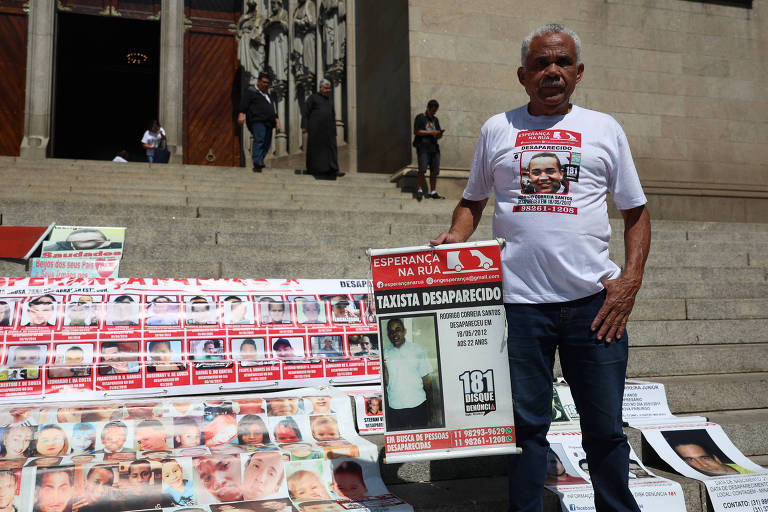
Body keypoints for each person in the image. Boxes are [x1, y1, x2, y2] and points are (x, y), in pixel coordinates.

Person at [429, 23, 650, 512]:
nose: (552, 71)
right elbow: (472, 200)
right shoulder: (497, 129)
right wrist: (457, 237)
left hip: (596, 306)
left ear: (578, 71)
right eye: (541, 64)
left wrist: (629, 282)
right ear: (522, 75)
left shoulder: (605, 128)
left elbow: (635, 212)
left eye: (562, 62)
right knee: (527, 427)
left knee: (606, 429)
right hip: (519, 308)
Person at [381, 318, 433, 431]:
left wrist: (431, 409)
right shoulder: (384, 353)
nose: (394, 334)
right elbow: (387, 382)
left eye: (398, 329)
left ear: (404, 331)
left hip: (418, 405)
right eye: (391, 331)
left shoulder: (418, 350)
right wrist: (384, 367)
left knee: (421, 441)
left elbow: (427, 382)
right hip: (395, 407)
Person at [238, 72, 282, 172]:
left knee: (267, 143)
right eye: (264, 82)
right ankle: (257, 161)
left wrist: (277, 121)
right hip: (257, 120)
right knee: (259, 139)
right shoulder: (251, 91)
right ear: (258, 81)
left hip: (269, 122)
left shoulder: (268, 95)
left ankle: (260, 160)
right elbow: (244, 103)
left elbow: (273, 109)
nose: (265, 84)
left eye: (267, 83)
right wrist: (241, 114)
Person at [303, 79, 343, 179]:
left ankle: (333, 170)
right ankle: (315, 169)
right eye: (325, 88)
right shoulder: (313, 98)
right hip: (316, 129)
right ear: (320, 87)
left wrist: (334, 129)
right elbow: (306, 112)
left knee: (331, 149)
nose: (327, 90)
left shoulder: (329, 100)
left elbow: (332, 114)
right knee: (316, 149)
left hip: (329, 130)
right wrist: (305, 126)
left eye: (329, 88)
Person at [666, 435, 751, 476]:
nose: (703, 465)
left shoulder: (749, 470)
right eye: (690, 460)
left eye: (705, 458)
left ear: (716, 458)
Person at [412, 99, 445, 200]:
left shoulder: (435, 120)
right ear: (428, 107)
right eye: (433, 110)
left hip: (434, 148)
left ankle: (433, 191)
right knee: (422, 169)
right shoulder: (420, 117)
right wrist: (431, 132)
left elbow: (437, 133)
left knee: (434, 170)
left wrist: (439, 134)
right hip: (423, 147)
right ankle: (420, 189)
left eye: (435, 111)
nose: (434, 112)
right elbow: (417, 131)